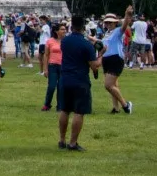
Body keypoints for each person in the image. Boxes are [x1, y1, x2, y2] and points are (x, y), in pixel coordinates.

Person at [57, 15, 105, 151]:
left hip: (65, 78)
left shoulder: (65, 41)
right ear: (84, 28)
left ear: (71, 27)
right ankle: (72, 143)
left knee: (64, 110)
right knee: (79, 111)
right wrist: (101, 55)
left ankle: (61, 140)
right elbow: (95, 66)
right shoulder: (86, 45)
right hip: (80, 80)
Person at [101, 8, 134, 115]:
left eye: (110, 22)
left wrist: (127, 14)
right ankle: (116, 108)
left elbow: (124, 25)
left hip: (115, 58)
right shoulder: (106, 33)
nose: (108, 24)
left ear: (115, 23)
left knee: (108, 85)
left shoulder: (117, 31)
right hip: (106, 59)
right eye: (106, 22)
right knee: (113, 86)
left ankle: (125, 105)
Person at [41, 23, 65, 111]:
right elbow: (46, 55)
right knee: (51, 86)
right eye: (62, 29)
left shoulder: (66, 41)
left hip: (63, 66)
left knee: (61, 87)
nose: (64, 31)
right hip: (53, 66)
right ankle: (47, 104)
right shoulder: (50, 41)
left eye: (64, 29)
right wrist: (45, 69)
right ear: (56, 31)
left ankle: (60, 106)